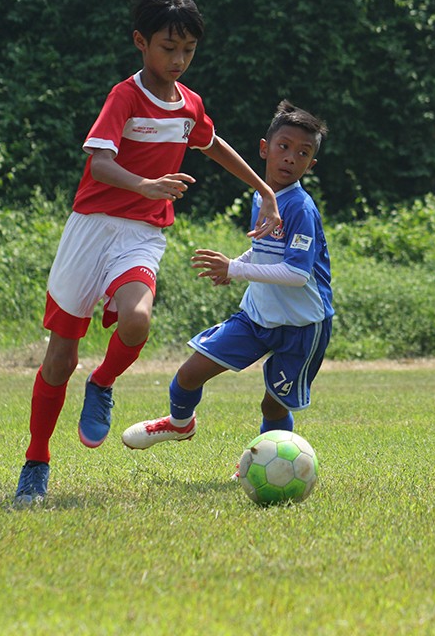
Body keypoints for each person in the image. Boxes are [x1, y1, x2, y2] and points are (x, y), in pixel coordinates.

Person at [14, 0, 281, 505]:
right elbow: (100, 163)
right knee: (58, 360)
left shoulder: (188, 104)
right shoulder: (125, 97)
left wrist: (265, 189)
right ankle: (36, 461)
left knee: (138, 320)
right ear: (142, 42)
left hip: (142, 232)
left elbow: (212, 143)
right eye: (169, 47)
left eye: (188, 49)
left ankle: (104, 383)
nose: (179, 59)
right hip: (91, 228)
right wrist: (147, 184)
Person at [121, 100, 331, 456]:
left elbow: (296, 274)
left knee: (273, 406)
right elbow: (265, 252)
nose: (290, 158)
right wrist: (236, 263)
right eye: (283, 147)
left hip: (302, 325)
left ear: (310, 165)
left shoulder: (300, 207)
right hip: (257, 317)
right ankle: (179, 422)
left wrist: (234, 269)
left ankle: (269, 461)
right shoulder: (263, 197)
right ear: (264, 149)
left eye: (302, 153)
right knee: (189, 373)